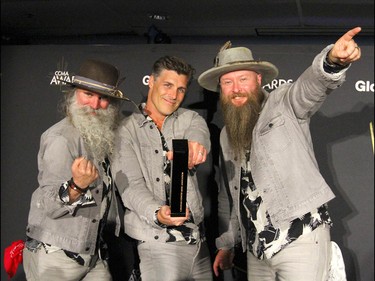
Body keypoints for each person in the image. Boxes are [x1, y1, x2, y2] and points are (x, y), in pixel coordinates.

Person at [197, 27, 362, 281]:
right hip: (257, 251)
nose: (236, 88)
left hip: (299, 236)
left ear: (259, 80)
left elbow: (309, 89)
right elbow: (238, 194)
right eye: (227, 82)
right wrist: (229, 244)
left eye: (243, 79)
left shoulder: (282, 102)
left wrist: (331, 62)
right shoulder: (226, 134)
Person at [23, 59, 132, 281]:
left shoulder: (101, 137)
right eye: (88, 94)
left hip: (92, 253)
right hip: (55, 253)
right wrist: (76, 186)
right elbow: (50, 204)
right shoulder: (60, 139)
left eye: (102, 98)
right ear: (74, 95)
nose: (94, 104)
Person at [111, 55, 213, 280]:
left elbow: (200, 135)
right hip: (157, 242)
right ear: (151, 81)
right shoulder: (125, 131)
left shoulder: (190, 119)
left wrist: (195, 147)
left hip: (197, 242)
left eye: (181, 89)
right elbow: (130, 186)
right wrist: (157, 213)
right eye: (168, 85)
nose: (173, 95)